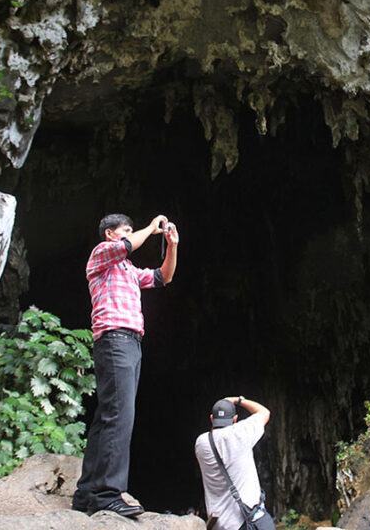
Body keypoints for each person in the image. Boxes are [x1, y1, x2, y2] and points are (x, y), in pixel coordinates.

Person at [72, 213, 179, 516]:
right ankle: (108, 494)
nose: (132, 235)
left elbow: (163, 277)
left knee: (107, 417)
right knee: (120, 417)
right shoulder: (101, 255)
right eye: (126, 230)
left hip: (130, 343)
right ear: (110, 234)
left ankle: (87, 494)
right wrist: (150, 227)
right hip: (115, 339)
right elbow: (126, 246)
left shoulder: (129, 271)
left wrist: (172, 245)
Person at [195, 396, 275, 530]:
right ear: (235, 419)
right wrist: (238, 400)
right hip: (247, 521)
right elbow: (264, 412)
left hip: (219, 524)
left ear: (211, 419)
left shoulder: (201, 443)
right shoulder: (240, 433)